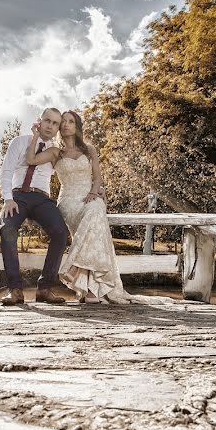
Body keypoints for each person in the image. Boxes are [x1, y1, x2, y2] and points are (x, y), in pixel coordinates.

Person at [26, 110, 169, 304]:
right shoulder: (55, 152)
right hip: (68, 201)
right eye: (64, 122)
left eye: (71, 122)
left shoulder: (89, 149)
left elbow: (98, 177)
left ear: (77, 126)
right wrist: (35, 135)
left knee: (95, 211)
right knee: (94, 225)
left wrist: (94, 192)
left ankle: (87, 286)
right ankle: (89, 290)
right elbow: (31, 160)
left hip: (90, 196)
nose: (67, 125)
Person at [0, 107, 69, 306]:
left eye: (55, 123)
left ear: (58, 128)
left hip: (42, 198)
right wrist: (7, 198)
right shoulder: (20, 142)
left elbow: (73, 171)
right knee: (7, 229)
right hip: (18, 196)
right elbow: (6, 171)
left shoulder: (55, 152)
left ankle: (45, 288)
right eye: (47, 120)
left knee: (60, 232)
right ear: (40, 120)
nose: (50, 125)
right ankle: (15, 289)